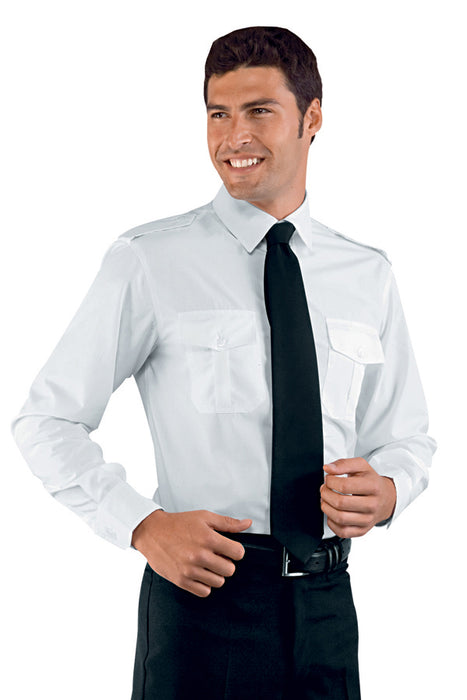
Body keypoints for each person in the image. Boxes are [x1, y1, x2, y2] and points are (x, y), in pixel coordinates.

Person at [12, 26, 436, 700]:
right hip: (204, 603)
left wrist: (387, 491)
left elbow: (407, 436)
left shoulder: (366, 273)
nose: (234, 136)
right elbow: (47, 420)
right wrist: (141, 525)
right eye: (218, 113)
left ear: (312, 117)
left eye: (259, 111)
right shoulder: (149, 260)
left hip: (327, 606)